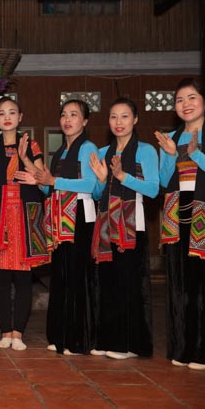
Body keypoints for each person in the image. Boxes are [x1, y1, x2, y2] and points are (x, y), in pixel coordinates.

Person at [24, 99, 99, 355]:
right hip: (58, 219)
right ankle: (59, 335)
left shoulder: (89, 147)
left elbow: (90, 185)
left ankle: (78, 339)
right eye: (64, 115)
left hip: (79, 217)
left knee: (77, 278)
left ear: (85, 121)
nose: (67, 119)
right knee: (61, 278)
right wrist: (34, 175)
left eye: (74, 115)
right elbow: (48, 188)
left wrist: (53, 180)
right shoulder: (60, 152)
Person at [0, 97, 49, 351]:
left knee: (24, 278)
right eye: (1, 113)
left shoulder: (31, 144)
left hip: (25, 219)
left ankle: (18, 333)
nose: (7, 117)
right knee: (0, 279)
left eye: (12, 112)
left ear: (20, 117)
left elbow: (42, 180)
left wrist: (24, 158)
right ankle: (5, 331)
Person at [89, 97, 158, 360]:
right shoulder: (105, 152)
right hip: (106, 227)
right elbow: (97, 194)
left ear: (136, 119)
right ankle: (109, 339)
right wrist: (104, 179)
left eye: (125, 116)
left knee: (130, 285)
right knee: (107, 285)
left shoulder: (146, 150)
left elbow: (153, 189)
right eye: (113, 117)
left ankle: (130, 344)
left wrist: (123, 177)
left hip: (132, 227)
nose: (118, 122)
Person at [155, 77, 205, 370]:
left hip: (203, 214)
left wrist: (194, 153)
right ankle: (182, 347)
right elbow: (163, 181)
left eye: (191, 98)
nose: (185, 105)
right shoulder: (171, 137)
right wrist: (171, 155)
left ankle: (201, 350)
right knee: (179, 286)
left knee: (201, 286)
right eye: (179, 100)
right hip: (176, 217)